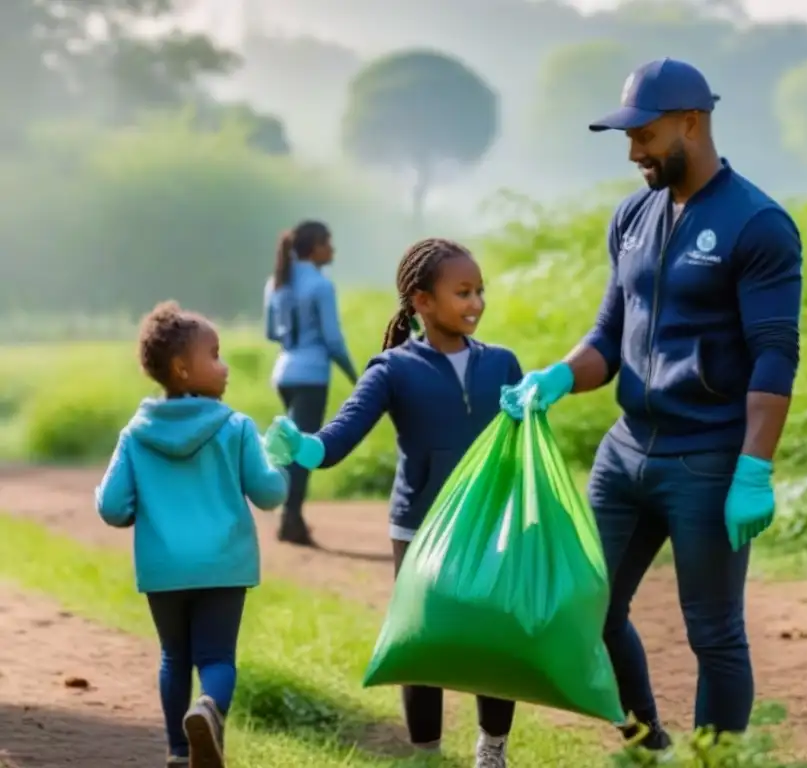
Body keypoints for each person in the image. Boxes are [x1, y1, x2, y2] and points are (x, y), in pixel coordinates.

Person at [501, 58, 802, 757]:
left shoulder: (758, 225)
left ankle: (714, 760)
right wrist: (554, 377)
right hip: (626, 453)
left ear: (691, 123)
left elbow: (775, 354)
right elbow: (609, 338)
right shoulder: (632, 217)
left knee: (714, 632)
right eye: (626, 135)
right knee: (588, 609)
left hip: (707, 460)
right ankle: (645, 741)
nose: (632, 149)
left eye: (644, 133)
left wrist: (754, 467)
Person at [262, 238, 522, 768]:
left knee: (496, 642)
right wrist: (303, 447)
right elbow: (337, 438)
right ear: (422, 301)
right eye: (462, 292)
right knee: (422, 645)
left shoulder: (503, 365)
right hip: (420, 528)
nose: (475, 303)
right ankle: (426, 756)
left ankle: (492, 751)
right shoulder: (392, 370)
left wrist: (535, 410)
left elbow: (525, 449)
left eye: (479, 291)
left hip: (489, 522)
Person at [94, 301, 289, 768]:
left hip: (164, 569)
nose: (224, 366)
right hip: (224, 565)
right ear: (183, 369)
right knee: (217, 658)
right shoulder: (236, 427)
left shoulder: (135, 434)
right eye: (215, 354)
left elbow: (112, 507)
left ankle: (179, 752)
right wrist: (278, 457)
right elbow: (268, 493)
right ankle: (209, 709)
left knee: (173, 658)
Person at [264, 220, 358, 546]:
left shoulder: (277, 282)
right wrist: (356, 376)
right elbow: (333, 340)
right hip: (312, 375)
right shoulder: (321, 285)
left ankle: (290, 515)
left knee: (290, 444)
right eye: (328, 242)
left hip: (284, 372)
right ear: (314, 246)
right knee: (302, 449)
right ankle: (291, 519)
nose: (332, 249)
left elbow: (271, 333)